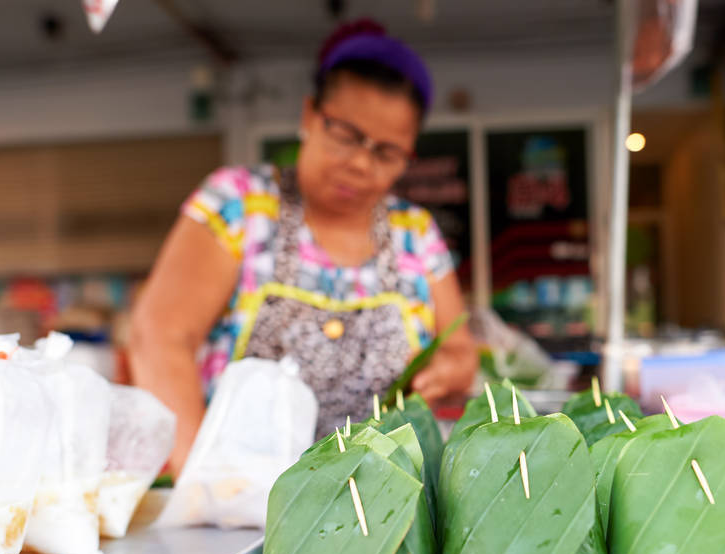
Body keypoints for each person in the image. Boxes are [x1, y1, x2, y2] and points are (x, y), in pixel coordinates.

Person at [129, 20, 478, 477]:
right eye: (346, 135)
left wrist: (447, 372)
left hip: (382, 498)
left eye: (386, 152)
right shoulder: (239, 205)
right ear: (310, 115)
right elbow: (158, 337)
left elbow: (460, 352)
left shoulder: (415, 232)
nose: (359, 163)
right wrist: (202, 483)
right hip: (246, 505)